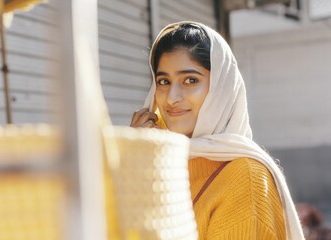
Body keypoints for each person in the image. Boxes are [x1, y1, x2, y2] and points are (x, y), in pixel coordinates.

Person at [130, 21, 304, 239]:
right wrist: (132, 163)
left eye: (190, 80)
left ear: (221, 89)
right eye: (163, 81)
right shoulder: (160, 165)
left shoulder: (245, 179)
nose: (172, 97)